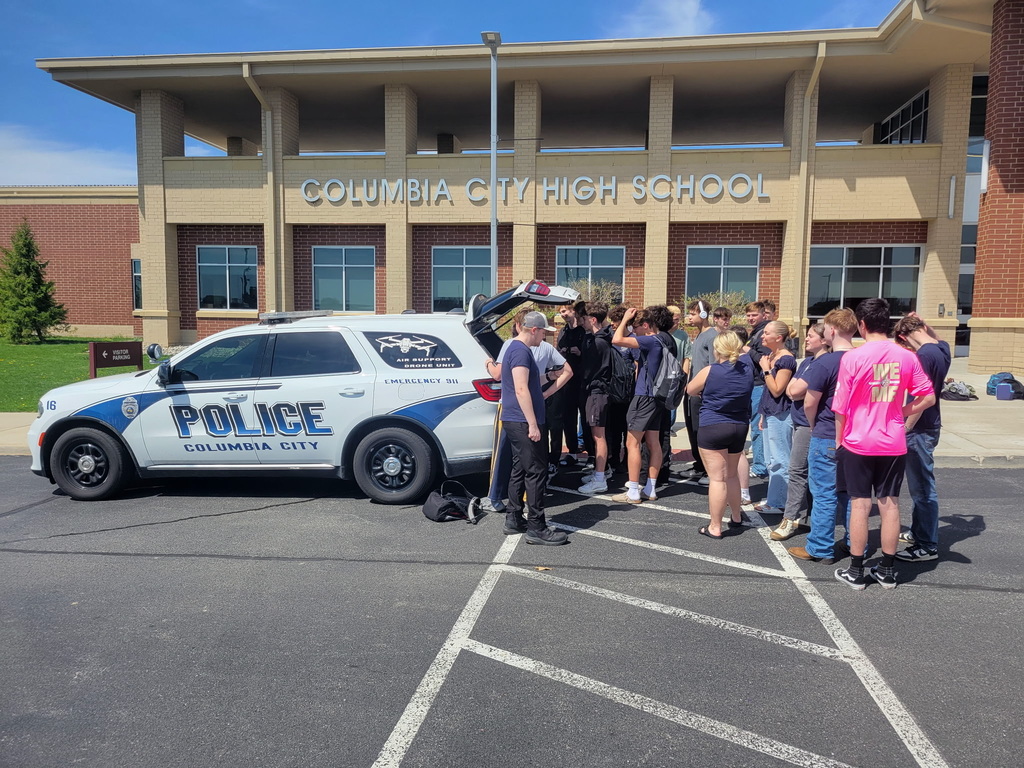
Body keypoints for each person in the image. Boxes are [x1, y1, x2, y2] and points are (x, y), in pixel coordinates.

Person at [832, 298, 935, 589]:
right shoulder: (906, 356)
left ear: (862, 325)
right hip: (892, 440)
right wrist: (901, 411)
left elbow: (840, 407)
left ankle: (856, 571)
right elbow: (928, 397)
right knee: (890, 504)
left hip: (858, 440)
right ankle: (887, 570)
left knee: (860, 504)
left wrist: (838, 441)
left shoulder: (852, 357)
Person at [484, 310, 573, 513]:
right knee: (533, 468)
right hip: (525, 413)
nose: (545, 336)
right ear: (533, 330)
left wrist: (488, 362)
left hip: (515, 413)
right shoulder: (525, 350)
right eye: (543, 332)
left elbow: (503, 376)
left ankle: (505, 507)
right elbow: (523, 387)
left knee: (514, 463)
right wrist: (543, 400)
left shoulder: (512, 346)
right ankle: (531, 518)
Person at [788, 308, 857, 564]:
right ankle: (854, 542)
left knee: (824, 494)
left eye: (825, 328)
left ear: (833, 330)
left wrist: (813, 424)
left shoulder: (825, 362)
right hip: (855, 436)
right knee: (850, 493)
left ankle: (820, 547)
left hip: (826, 432)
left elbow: (809, 402)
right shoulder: (862, 359)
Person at [892, 313, 951, 563]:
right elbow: (937, 337)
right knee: (920, 486)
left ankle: (927, 545)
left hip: (919, 428)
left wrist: (905, 427)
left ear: (903, 337)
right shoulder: (941, 349)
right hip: (931, 425)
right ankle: (919, 533)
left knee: (922, 488)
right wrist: (924, 323)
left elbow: (922, 397)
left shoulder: (925, 356)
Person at [685, 331, 754, 538]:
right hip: (739, 426)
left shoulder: (711, 370)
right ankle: (736, 516)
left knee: (717, 479)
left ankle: (715, 526)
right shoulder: (747, 369)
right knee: (731, 474)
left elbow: (690, 389)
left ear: (717, 349)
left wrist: (705, 391)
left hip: (713, 425)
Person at [610, 305, 676, 504]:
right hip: (658, 398)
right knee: (654, 442)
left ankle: (633, 491)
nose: (634, 330)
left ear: (646, 325)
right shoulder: (665, 340)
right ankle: (650, 489)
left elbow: (616, 339)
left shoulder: (650, 340)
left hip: (644, 396)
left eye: (636, 327)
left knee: (632, 443)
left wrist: (624, 320)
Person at [771, 323, 828, 540]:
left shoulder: (822, 364)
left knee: (797, 471)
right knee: (805, 470)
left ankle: (789, 518)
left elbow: (794, 391)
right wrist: (797, 390)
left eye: (811, 336)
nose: (806, 339)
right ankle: (807, 517)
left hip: (809, 424)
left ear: (824, 340)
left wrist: (797, 390)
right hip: (799, 420)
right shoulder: (807, 362)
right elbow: (792, 390)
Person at [755, 321, 796, 513]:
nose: (762, 336)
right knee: (771, 459)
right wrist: (763, 414)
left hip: (781, 413)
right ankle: (775, 498)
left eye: (766, 333)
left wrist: (765, 369)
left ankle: (779, 502)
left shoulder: (786, 359)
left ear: (778, 337)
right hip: (770, 412)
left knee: (780, 458)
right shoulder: (772, 356)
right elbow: (768, 392)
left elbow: (777, 389)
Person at [577, 301, 615, 494]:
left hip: (597, 392)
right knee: (598, 434)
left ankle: (600, 478)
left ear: (592, 319)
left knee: (598, 436)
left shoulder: (597, 343)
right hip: (598, 391)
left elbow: (588, 369)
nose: (581, 322)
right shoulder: (602, 338)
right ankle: (601, 472)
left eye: (583, 319)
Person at [681, 300, 717, 485]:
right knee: (693, 430)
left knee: (702, 431)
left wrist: (705, 389)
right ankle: (699, 465)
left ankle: (710, 470)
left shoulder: (712, 336)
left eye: (693, 313)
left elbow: (713, 366)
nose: (689, 317)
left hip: (702, 393)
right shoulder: (699, 336)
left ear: (703, 315)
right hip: (692, 391)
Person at [555, 302, 589, 468]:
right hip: (567, 381)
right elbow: (558, 351)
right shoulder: (563, 332)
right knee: (568, 418)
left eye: (565, 311)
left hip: (582, 379)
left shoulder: (583, 331)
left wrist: (580, 352)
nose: (563, 315)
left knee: (586, 417)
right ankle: (572, 452)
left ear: (573, 311)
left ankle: (591, 454)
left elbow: (591, 354)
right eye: (561, 312)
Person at [605, 304, 638, 475]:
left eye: (616, 320)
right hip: (613, 391)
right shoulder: (611, 338)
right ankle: (614, 461)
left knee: (627, 429)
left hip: (628, 392)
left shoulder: (632, 340)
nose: (612, 324)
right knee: (614, 429)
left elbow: (638, 365)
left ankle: (626, 462)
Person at [744, 301, 770, 479]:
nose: (751, 318)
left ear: (763, 315)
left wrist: (747, 350)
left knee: (757, 426)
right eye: (748, 315)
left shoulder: (763, 333)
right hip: (752, 385)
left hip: (759, 385)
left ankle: (760, 466)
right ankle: (760, 463)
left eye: (754, 315)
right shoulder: (755, 332)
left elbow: (764, 359)